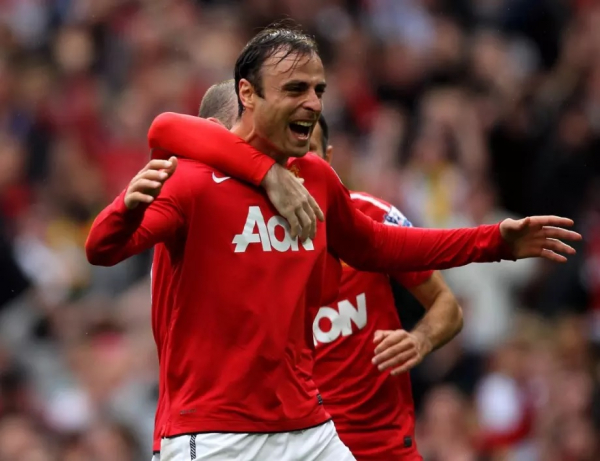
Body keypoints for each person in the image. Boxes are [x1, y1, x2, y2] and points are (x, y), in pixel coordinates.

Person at [86, 25, 580, 461]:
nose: (314, 104)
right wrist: (124, 207)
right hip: (216, 435)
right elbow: (102, 249)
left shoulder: (318, 180)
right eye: (295, 89)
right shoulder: (192, 183)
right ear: (248, 95)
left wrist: (493, 241)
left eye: (318, 90)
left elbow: (384, 246)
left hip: (307, 429)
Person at [191, 80, 462, 460]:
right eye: (284, 154)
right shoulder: (246, 238)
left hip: (381, 446)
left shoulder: (372, 218)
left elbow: (447, 306)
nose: (295, 166)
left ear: (328, 160)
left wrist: (420, 340)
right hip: (294, 447)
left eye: (308, 153)